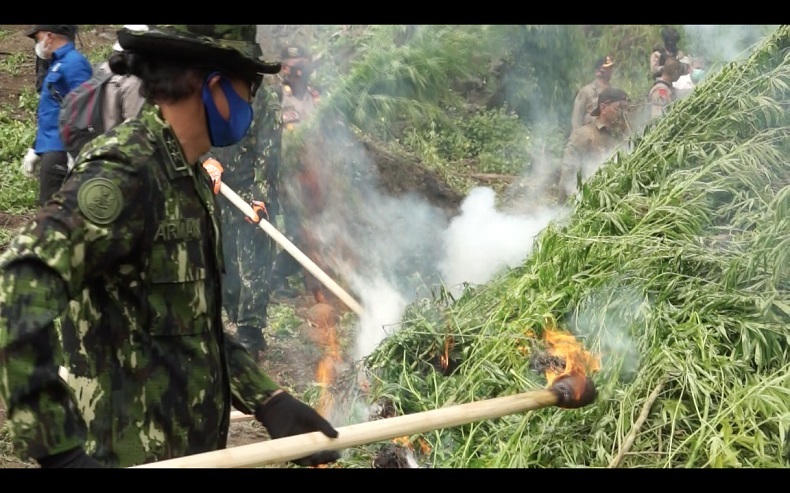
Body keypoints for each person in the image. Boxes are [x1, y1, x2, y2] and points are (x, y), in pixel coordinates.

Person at [0, 25, 340, 469]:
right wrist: (59, 449)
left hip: (190, 450)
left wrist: (268, 399)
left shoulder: (187, 176)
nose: (253, 101)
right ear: (214, 86)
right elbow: (18, 285)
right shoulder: (128, 170)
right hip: (127, 455)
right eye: (250, 86)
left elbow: (190, 324)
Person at [203, 80, 283, 361]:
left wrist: (262, 197)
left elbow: (269, 149)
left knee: (253, 266)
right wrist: (207, 159)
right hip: (218, 190)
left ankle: (250, 333)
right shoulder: (209, 88)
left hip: (251, 193)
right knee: (224, 265)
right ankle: (236, 321)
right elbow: (193, 130)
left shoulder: (263, 97)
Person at [269, 44, 333, 305]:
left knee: (318, 228)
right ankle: (279, 276)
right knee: (298, 231)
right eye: (287, 66)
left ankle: (315, 278)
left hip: (317, 176)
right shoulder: (277, 99)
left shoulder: (317, 98)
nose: (291, 71)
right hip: (289, 178)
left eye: (296, 66)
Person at [22, 25, 92, 206]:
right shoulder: (56, 64)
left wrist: (75, 151)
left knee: (55, 211)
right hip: (50, 146)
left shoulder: (74, 64)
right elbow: (52, 112)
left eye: (37, 39)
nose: (37, 44)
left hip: (62, 150)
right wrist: (36, 147)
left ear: (49, 36)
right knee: (48, 207)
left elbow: (83, 109)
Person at [559, 88, 632, 202]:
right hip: (585, 202)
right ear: (603, 108)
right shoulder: (583, 135)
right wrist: (563, 208)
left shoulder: (623, 138)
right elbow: (568, 176)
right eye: (619, 109)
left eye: (627, 110)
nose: (624, 114)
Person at [92, 38, 145, 135]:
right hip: (117, 137)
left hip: (101, 135)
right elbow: (134, 124)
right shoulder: (133, 83)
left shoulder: (102, 69)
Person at [571, 55, 615, 131]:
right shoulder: (585, 92)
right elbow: (576, 119)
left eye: (610, 68)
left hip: (609, 135)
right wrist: (578, 135)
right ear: (597, 72)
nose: (609, 71)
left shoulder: (615, 93)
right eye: (606, 68)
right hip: (589, 134)